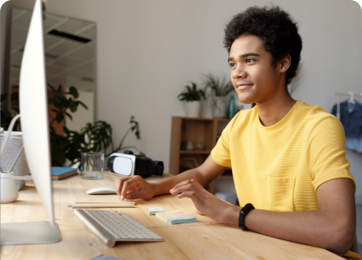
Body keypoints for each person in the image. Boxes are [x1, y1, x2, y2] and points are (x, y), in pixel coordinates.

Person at [115, 5, 359, 258]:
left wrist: (231, 213)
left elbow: (338, 231)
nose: (237, 73)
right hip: (259, 248)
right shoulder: (239, 124)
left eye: (250, 60)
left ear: (283, 63)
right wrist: (154, 188)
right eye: (233, 63)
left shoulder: (319, 126)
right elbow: (201, 172)